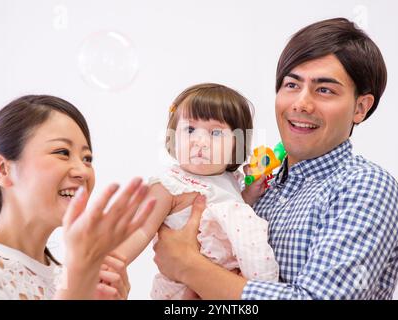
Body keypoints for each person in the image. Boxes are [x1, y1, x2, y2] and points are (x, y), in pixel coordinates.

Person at [153, 18, 398, 300]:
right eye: (291, 84)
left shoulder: (366, 187)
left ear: (360, 108)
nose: (301, 103)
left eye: (324, 89)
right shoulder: (258, 190)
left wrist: (187, 266)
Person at [117, 83, 278, 299]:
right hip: (182, 289)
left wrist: (249, 195)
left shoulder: (231, 181)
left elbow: (232, 217)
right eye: (190, 129)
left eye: (215, 132)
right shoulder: (171, 185)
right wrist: (114, 262)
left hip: (226, 286)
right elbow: (141, 230)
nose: (199, 141)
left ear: (236, 146)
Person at [0, 95, 156, 300]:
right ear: (2, 169)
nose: (83, 172)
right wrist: (79, 280)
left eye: (87, 158)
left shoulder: (68, 276)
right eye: (62, 152)